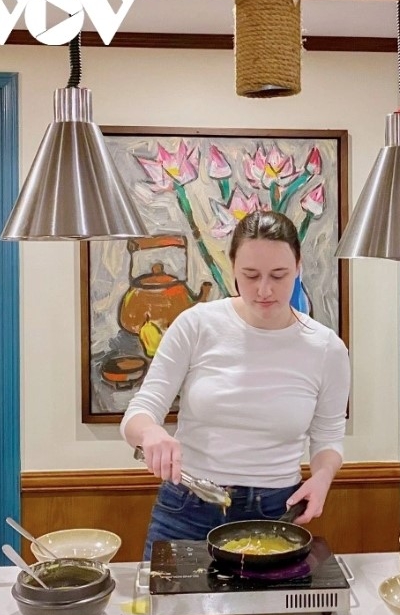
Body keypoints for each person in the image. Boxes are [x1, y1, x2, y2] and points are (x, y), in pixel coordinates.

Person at [121, 211, 351, 560]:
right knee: (169, 612)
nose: (264, 290)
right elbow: (140, 411)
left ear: (298, 266)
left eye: (278, 275)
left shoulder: (326, 348)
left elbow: (329, 436)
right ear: (232, 268)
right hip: (187, 506)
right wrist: (150, 434)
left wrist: (323, 476)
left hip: (277, 512)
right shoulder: (196, 325)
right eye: (250, 275)